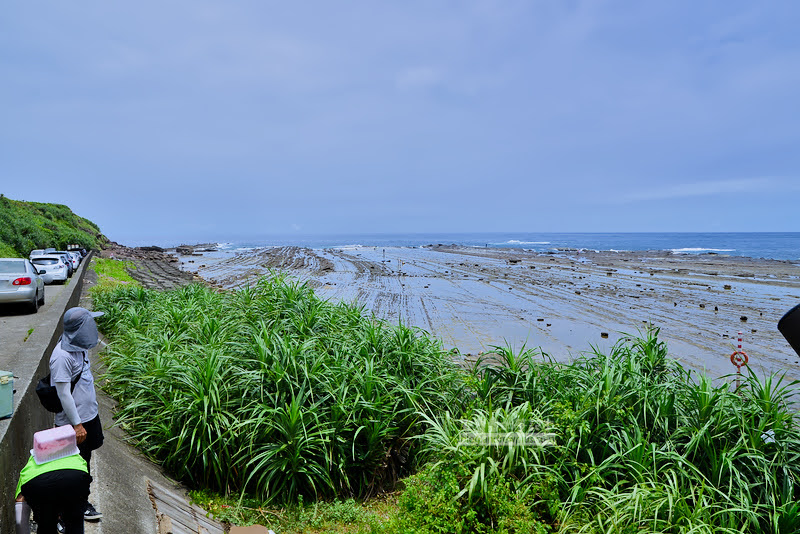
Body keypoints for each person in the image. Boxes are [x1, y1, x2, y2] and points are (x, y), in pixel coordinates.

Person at [49, 307, 104, 521]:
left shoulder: (80, 347)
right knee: (68, 468)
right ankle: (61, 514)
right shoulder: (62, 356)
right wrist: (77, 425)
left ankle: (81, 502)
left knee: (83, 463)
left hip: (88, 417)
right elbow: (63, 394)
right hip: (73, 424)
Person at [15, 425, 91, 534]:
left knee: (46, 525)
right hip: (76, 478)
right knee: (74, 523)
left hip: (38, 484)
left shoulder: (30, 465)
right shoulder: (77, 458)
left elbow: (19, 505)